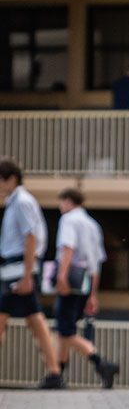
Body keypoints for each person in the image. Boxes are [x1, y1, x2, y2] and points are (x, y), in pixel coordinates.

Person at [0, 158, 63, 388]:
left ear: (11, 179)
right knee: (35, 320)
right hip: (15, 269)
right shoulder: (14, 202)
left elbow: (31, 237)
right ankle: (54, 372)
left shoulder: (22, 202)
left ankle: (55, 372)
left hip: (19, 270)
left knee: (15, 318)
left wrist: (27, 275)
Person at [51, 188, 119, 388]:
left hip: (71, 281)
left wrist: (61, 276)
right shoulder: (92, 225)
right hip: (86, 283)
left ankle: (101, 362)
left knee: (65, 329)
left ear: (68, 201)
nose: (60, 207)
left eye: (61, 202)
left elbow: (68, 247)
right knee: (65, 329)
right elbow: (96, 263)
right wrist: (93, 295)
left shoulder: (69, 220)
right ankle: (57, 375)